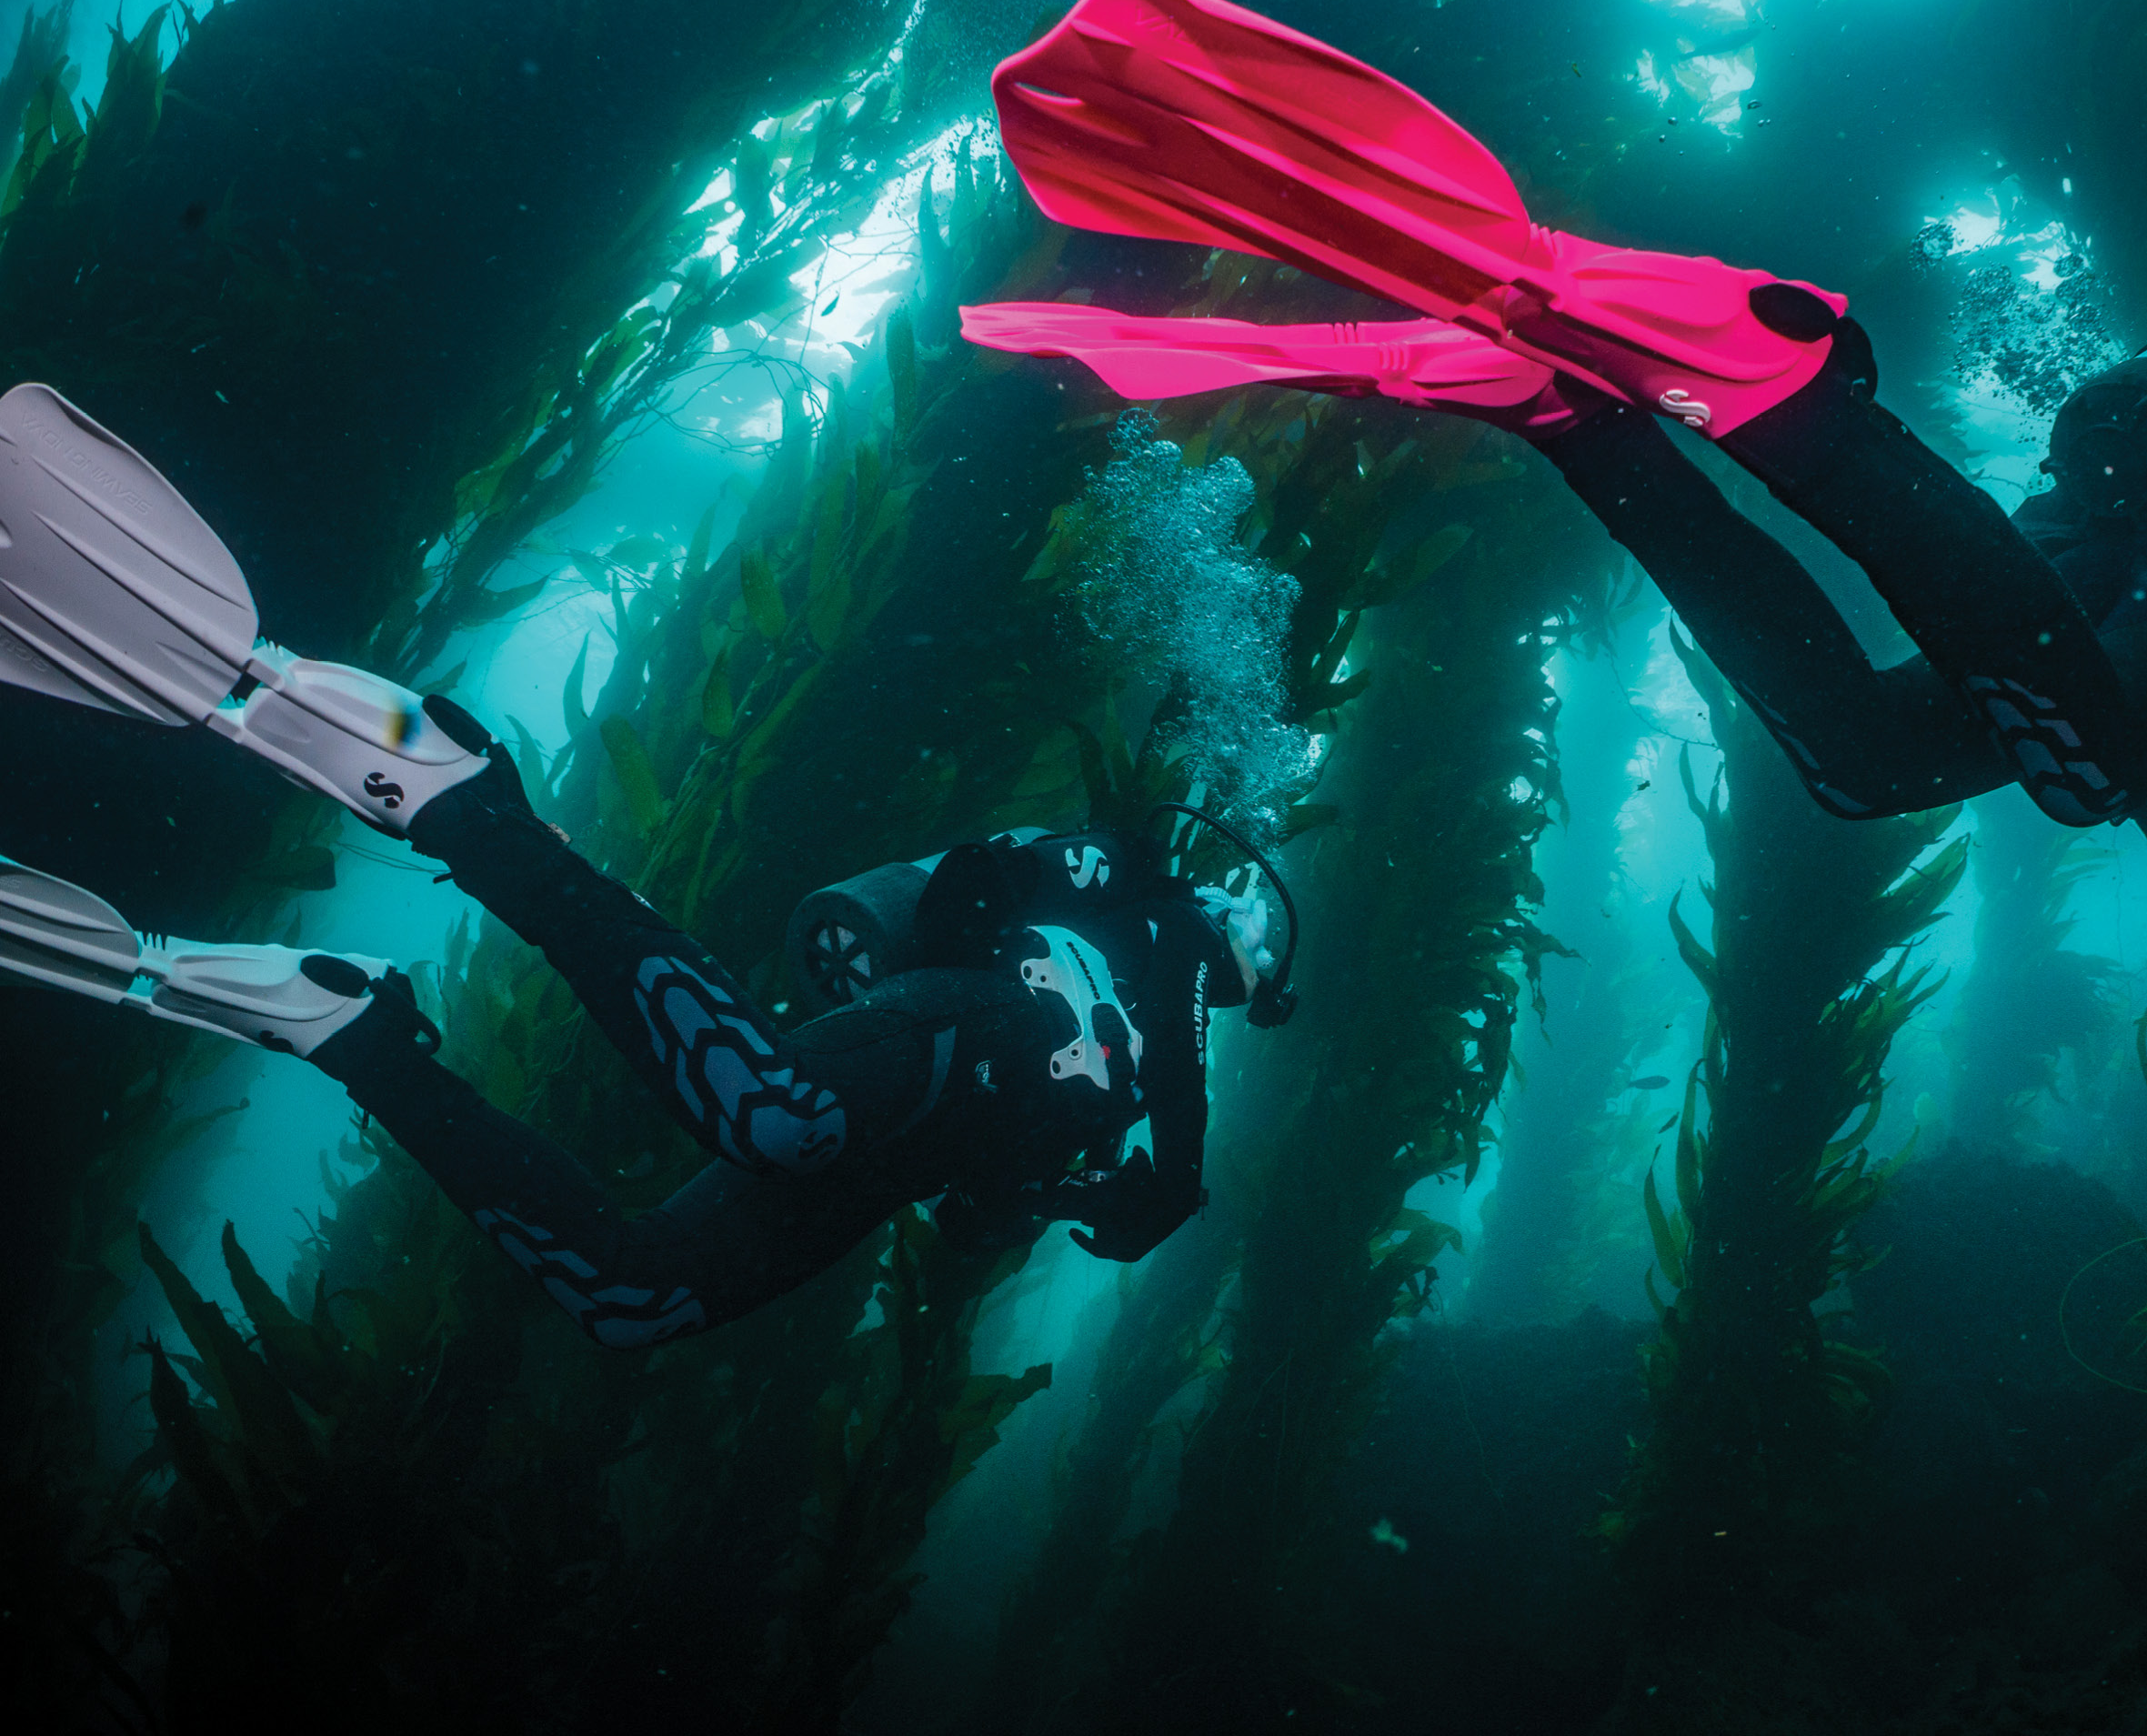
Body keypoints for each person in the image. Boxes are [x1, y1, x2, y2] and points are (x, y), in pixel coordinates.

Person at [956, 0, 2147, 907]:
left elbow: (2091, 621)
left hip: (2077, 578)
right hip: (2107, 622)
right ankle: (1778, 389)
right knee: (2080, 762)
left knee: (1865, 762)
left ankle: (1574, 422)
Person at [0, 384, 1277, 1350]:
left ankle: (348, 1030)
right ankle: (462, 804)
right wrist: (1173, 1175)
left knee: (633, 1298)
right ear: (1228, 899)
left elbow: (979, 1213)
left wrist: (1063, 1195)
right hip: (947, 1030)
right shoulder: (1157, 917)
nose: (1259, 952)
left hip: (899, 1151)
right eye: (1266, 926)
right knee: (770, 1110)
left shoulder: (1138, 1076)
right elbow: (1149, 1020)